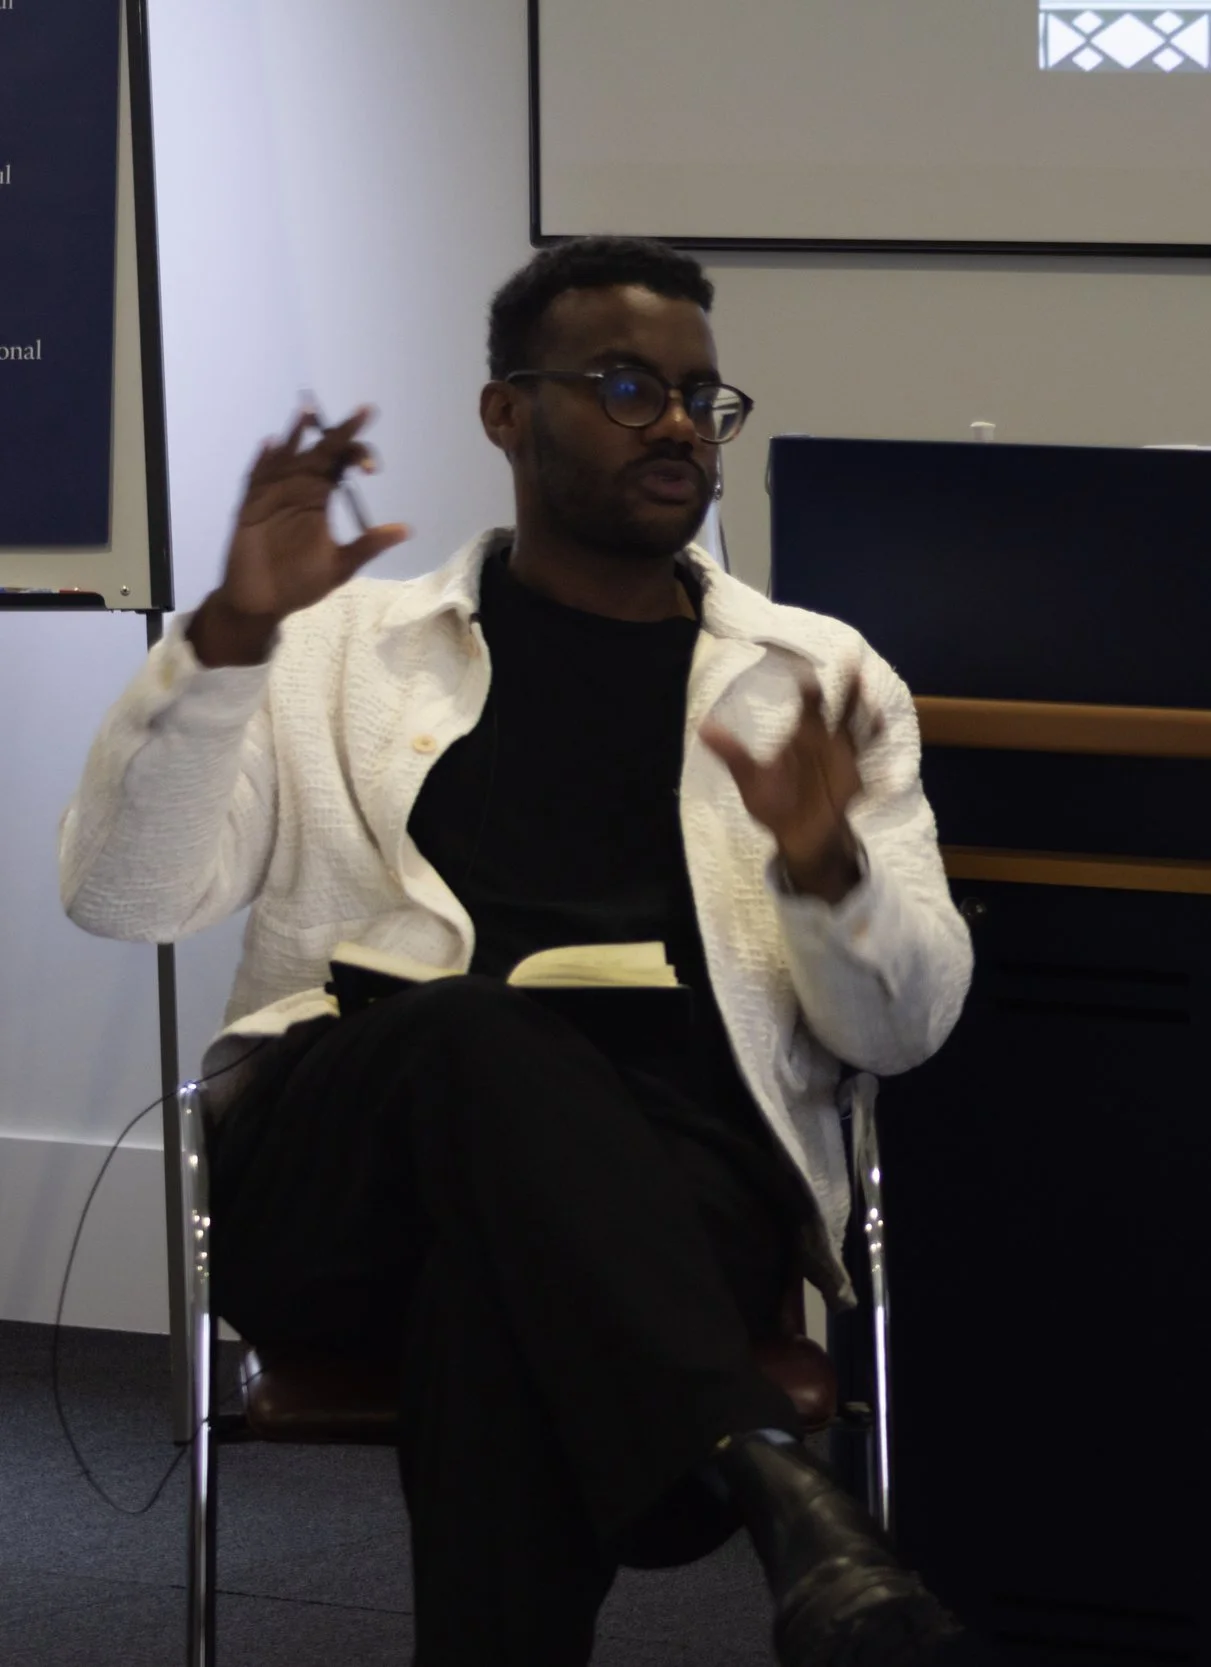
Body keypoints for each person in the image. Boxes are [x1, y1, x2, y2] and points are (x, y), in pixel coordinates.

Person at [59, 237, 976, 1667]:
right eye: (625, 386)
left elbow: (904, 1026)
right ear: (506, 412)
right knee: (471, 1032)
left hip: (671, 1197)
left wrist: (822, 859)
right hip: (340, 1170)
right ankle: (772, 1483)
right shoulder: (334, 649)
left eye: (701, 396)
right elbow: (127, 893)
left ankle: (742, 1485)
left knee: (496, 1291)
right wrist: (231, 636)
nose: (677, 423)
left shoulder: (819, 675)